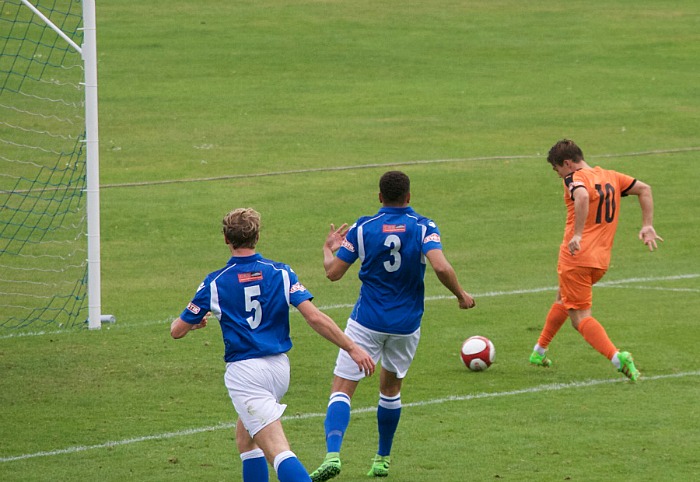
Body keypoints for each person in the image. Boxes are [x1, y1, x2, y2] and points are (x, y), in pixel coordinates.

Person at [171, 208, 375, 482]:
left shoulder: (215, 282)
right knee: (246, 440)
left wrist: (193, 323)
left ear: (225, 239)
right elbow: (314, 317)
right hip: (279, 370)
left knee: (278, 451)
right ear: (257, 237)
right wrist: (351, 347)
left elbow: (177, 330)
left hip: (246, 374)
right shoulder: (281, 272)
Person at [309, 171, 476, 481]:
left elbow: (333, 274)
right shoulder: (424, 226)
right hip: (406, 324)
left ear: (379, 197)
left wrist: (328, 249)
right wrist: (461, 295)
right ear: (409, 197)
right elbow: (440, 265)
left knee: (342, 389)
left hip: (366, 322)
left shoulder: (363, 227)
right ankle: (381, 460)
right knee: (390, 390)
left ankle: (333, 453)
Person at [529, 139, 663, 381]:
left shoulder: (574, 178)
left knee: (580, 318)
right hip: (600, 261)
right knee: (563, 296)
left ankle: (617, 357)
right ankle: (539, 351)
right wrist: (647, 224)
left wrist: (578, 234)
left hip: (576, 258)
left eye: (557, 169)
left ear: (567, 164)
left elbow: (580, 197)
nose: (559, 176)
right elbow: (645, 189)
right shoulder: (611, 176)